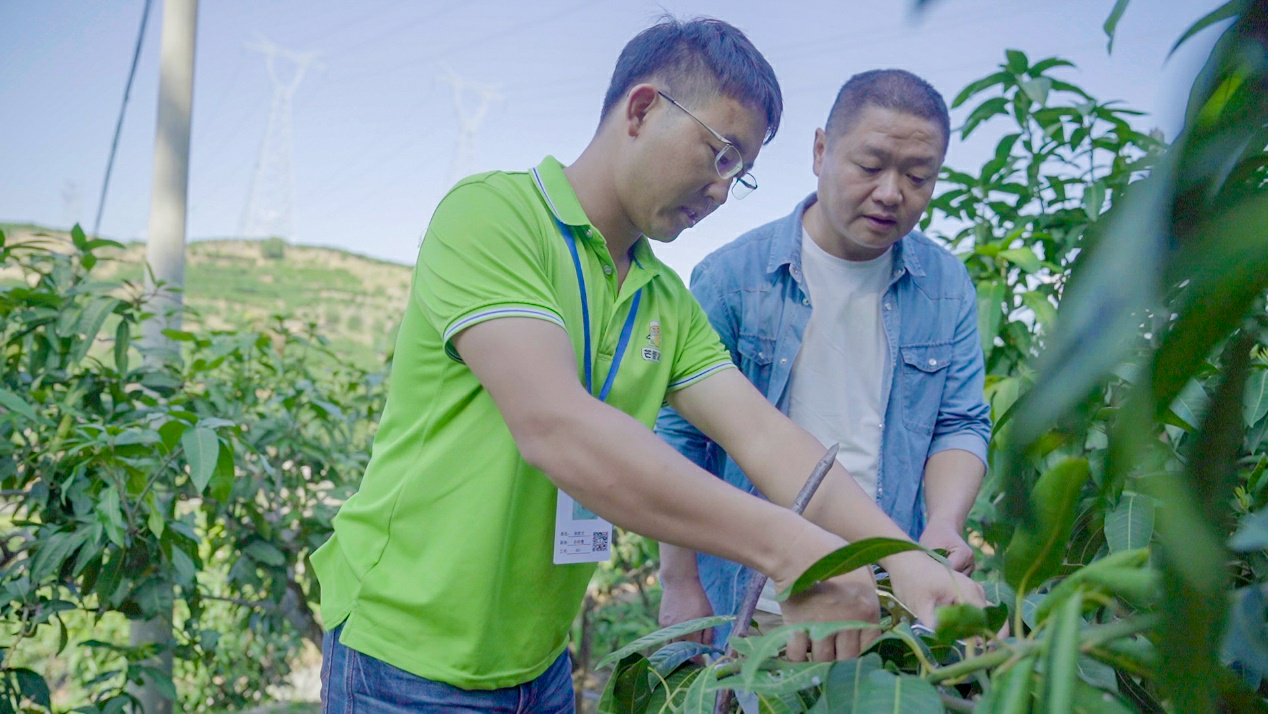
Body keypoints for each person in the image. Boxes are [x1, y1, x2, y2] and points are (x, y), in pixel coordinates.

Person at [311, 20, 985, 711]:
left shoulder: (662, 296)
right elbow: (557, 428)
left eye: (742, 173)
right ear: (641, 109)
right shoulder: (495, 217)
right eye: (720, 154)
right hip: (404, 660)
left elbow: (766, 438)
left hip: (537, 664)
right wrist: (792, 547)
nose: (723, 191)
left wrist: (904, 559)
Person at [656, 69, 992, 645]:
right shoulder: (733, 278)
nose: (892, 192)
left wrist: (941, 526)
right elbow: (682, 439)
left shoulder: (945, 283)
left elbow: (960, 423)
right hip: (755, 598)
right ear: (820, 150)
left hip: (894, 592)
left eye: (918, 176)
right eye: (870, 167)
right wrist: (678, 580)